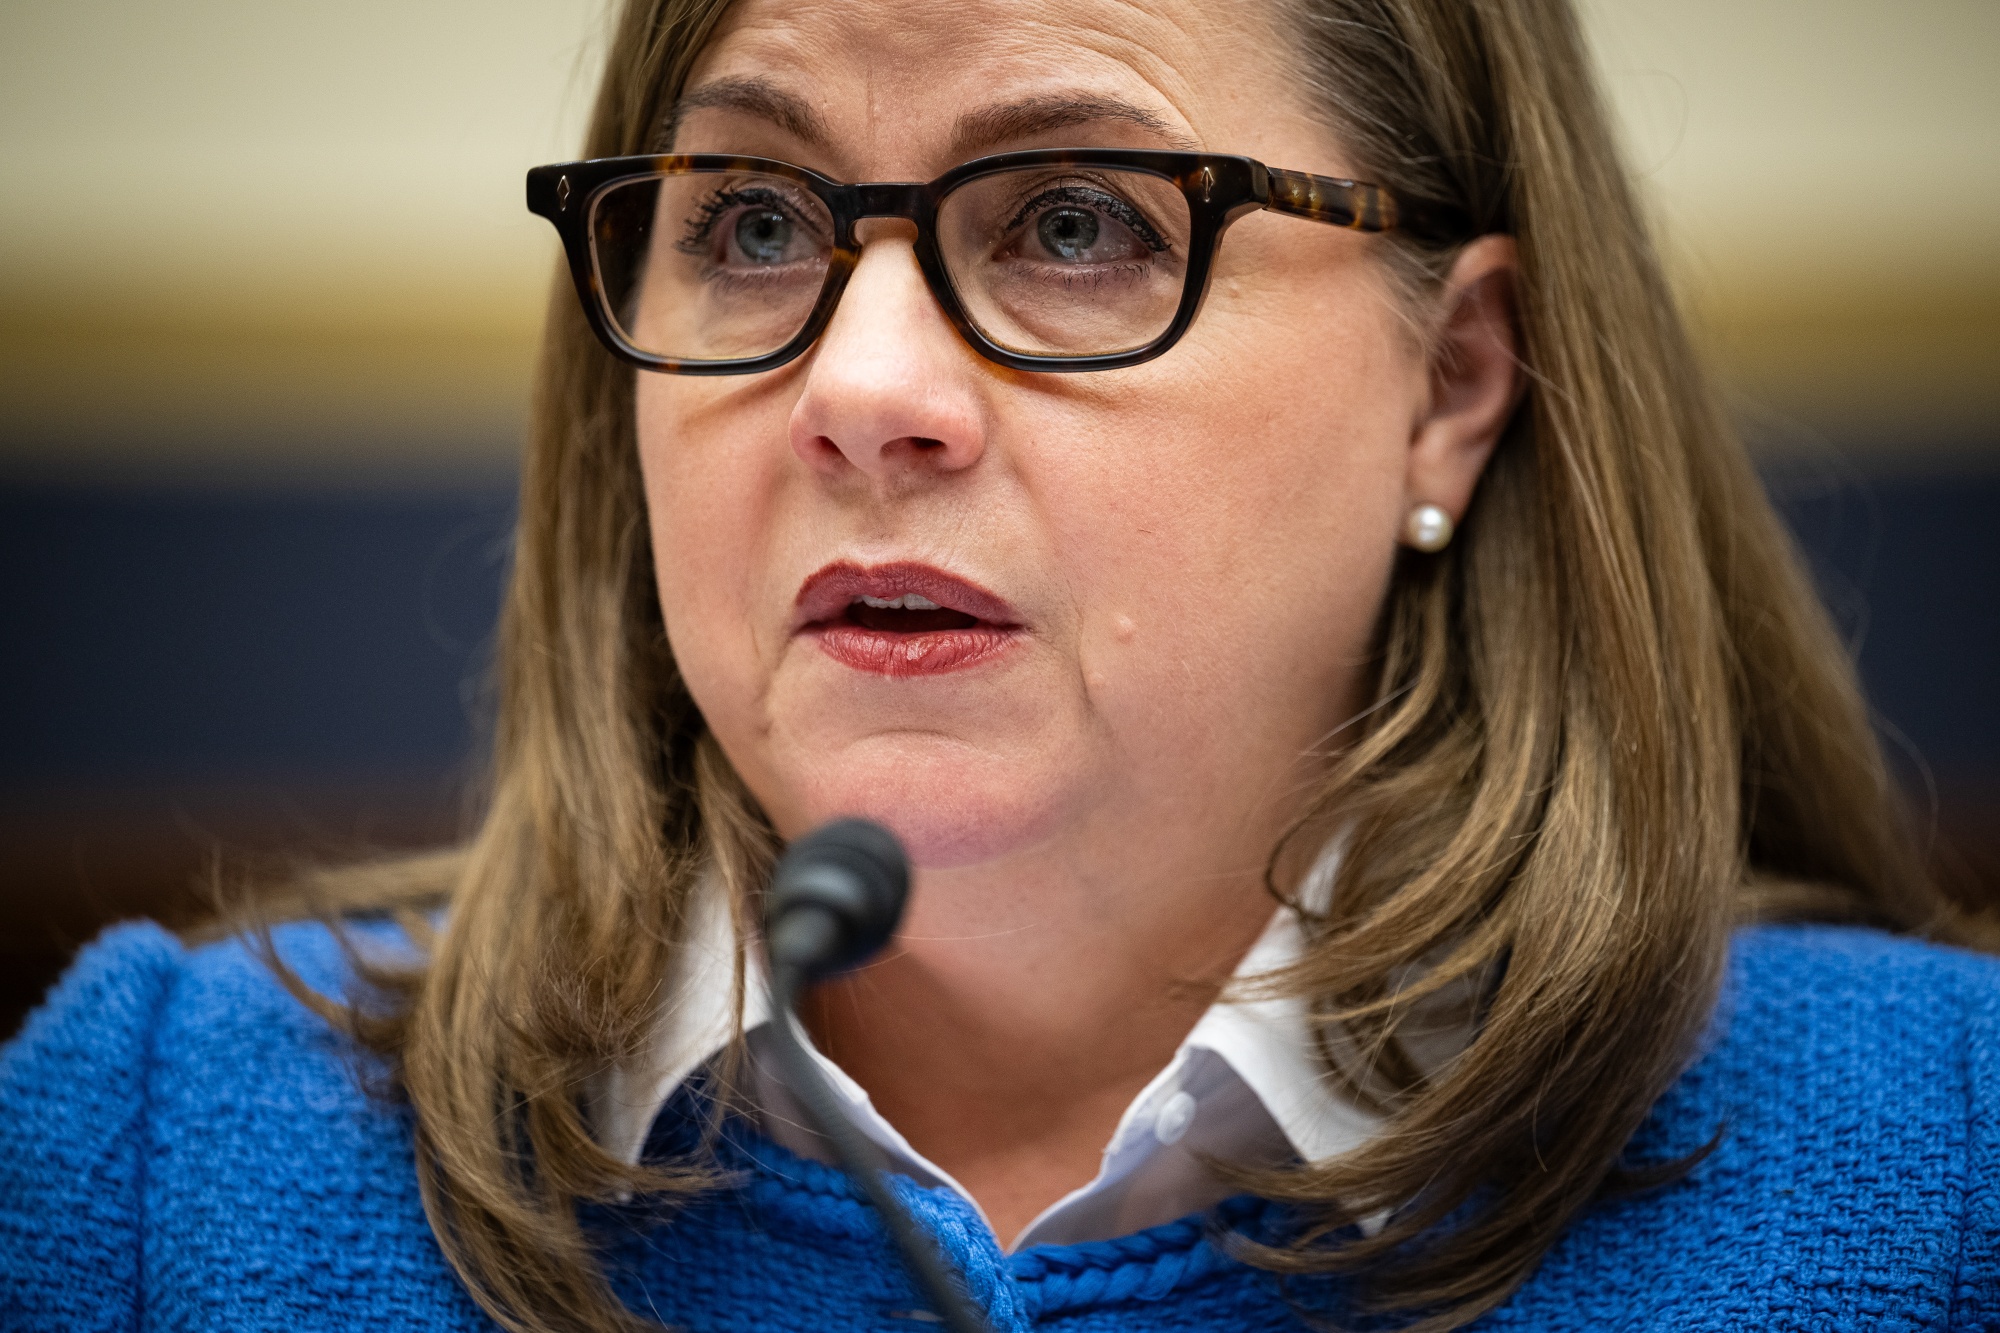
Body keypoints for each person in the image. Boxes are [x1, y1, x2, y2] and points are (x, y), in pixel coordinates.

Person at [4, 0, 1996, 1328]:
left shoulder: (1940, 1171)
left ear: (1453, 388)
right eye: (757, 221)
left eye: (1072, 219)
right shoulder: (160, 1157)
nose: (860, 389)